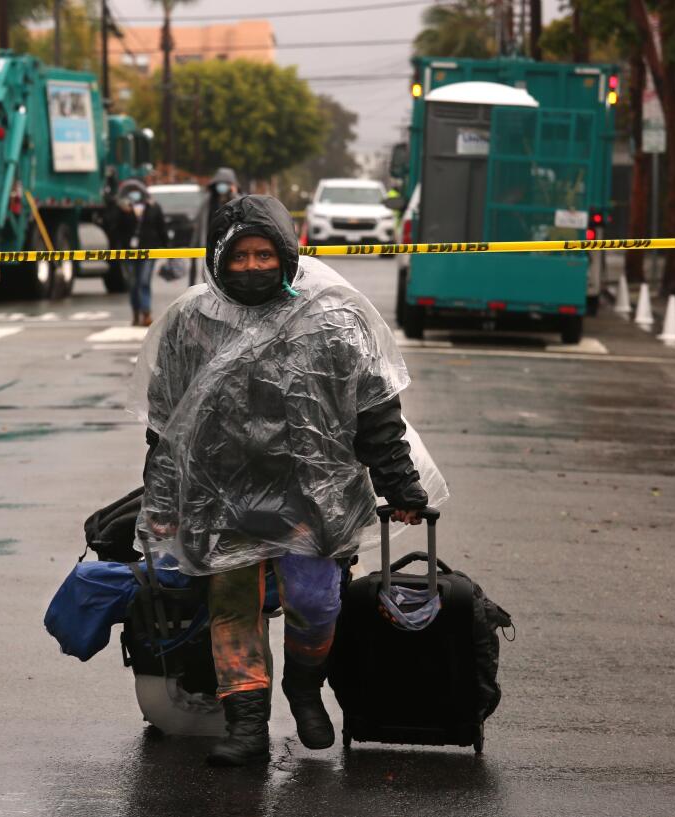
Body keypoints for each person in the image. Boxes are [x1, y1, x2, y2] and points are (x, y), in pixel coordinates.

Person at [131, 194, 445, 767]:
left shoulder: (331, 317)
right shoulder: (191, 319)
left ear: (287, 253)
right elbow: (167, 422)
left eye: (263, 253)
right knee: (231, 609)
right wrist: (161, 495)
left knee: (315, 603)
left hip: (311, 497)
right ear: (217, 259)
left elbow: (375, 412)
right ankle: (246, 723)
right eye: (239, 255)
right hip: (219, 498)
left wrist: (401, 487)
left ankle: (304, 687)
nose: (252, 266)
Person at [116, 181, 168, 327]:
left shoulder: (153, 207)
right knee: (132, 283)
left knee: (143, 281)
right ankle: (135, 313)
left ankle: (146, 313)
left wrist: (168, 249)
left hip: (148, 250)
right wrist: (122, 211)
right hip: (128, 252)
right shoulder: (122, 208)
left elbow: (161, 227)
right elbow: (114, 228)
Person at [190, 168, 239, 286]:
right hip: (210, 245)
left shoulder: (237, 200)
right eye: (219, 183)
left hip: (231, 245)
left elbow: (243, 210)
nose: (222, 186)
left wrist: (234, 193)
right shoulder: (208, 201)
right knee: (209, 280)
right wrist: (194, 245)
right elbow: (200, 224)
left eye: (225, 183)